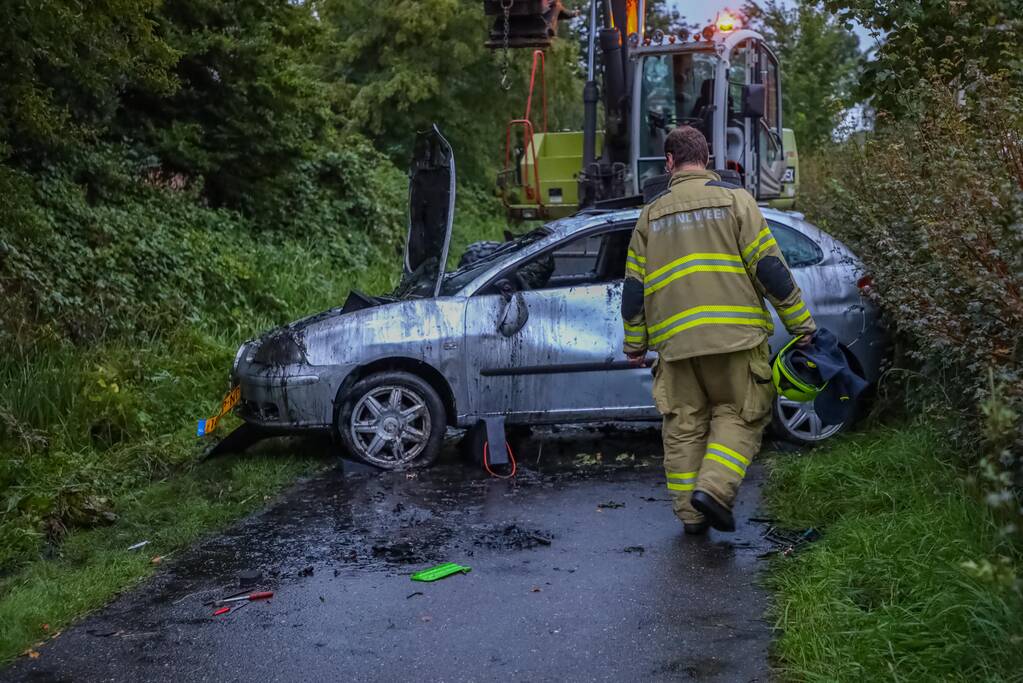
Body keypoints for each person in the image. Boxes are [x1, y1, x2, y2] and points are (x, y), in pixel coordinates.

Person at [621, 126, 816, 534]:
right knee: (743, 414)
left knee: (684, 424)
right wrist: (801, 324)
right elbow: (770, 270)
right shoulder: (736, 202)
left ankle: (691, 516)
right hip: (736, 340)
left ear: (669, 163)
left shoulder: (650, 216)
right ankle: (712, 489)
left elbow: (634, 289)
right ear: (708, 160)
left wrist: (635, 344)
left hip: (676, 346)